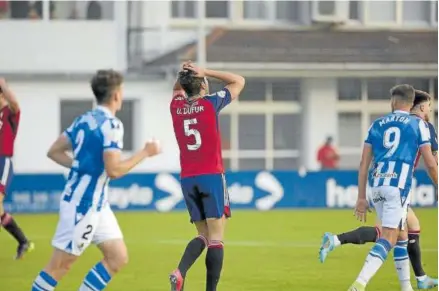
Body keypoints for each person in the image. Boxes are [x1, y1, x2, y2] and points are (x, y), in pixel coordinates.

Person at [31, 69, 161, 291]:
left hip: (97, 205)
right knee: (59, 267)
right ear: (116, 95)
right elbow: (113, 170)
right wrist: (145, 152)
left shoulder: (84, 119)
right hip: (83, 206)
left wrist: (80, 167)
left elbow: (54, 151)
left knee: (117, 257)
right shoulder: (112, 125)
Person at [319, 90, 438, 289]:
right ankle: (358, 283)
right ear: (418, 106)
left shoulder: (377, 124)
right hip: (398, 186)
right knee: (387, 237)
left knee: (402, 234)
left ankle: (412, 284)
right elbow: (432, 163)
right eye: (429, 107)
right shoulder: (421, 125)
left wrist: (361, 197)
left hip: (377, 184)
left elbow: (363, 163)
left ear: (393, 101)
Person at [169, 61, 245, 291]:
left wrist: (184, 75)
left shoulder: (176, 106)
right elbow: (239, 81)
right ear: (202, 84)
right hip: (211, 175)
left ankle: (180, 271)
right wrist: (205, 70)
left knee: (202, 234)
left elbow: (176, 89)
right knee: (216, 238)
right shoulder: (210, 104)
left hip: (188, 179)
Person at [0, 78, 34, 259]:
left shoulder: (9, 112)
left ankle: (23, 241)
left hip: (2, 162)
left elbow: (14, 103)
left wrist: (3, 84)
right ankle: (23, 241)